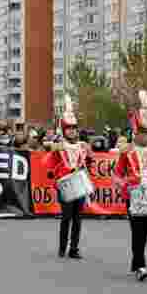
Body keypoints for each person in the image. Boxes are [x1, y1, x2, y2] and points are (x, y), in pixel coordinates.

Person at [114, 90, 147, 281]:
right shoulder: (126, 151)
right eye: (144, 132)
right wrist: (124, 185)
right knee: (136, 230)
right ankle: (141, 265)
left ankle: (137, 262)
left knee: (144, 231)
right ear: (136, 132)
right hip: (133, 195)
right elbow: (117, 175)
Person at [45, 94, 94, 259]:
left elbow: (90, 162)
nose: (72, 131)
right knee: (66, 217)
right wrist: (52, 174)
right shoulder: (59, 147)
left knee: (78, 218)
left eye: (74, 128)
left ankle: (74, 248)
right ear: (64, 130)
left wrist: (89, 163)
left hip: (79, 184)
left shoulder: (83, 146)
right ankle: (62, 247)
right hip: (65, 185)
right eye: (69, 128)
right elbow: (49, 164)